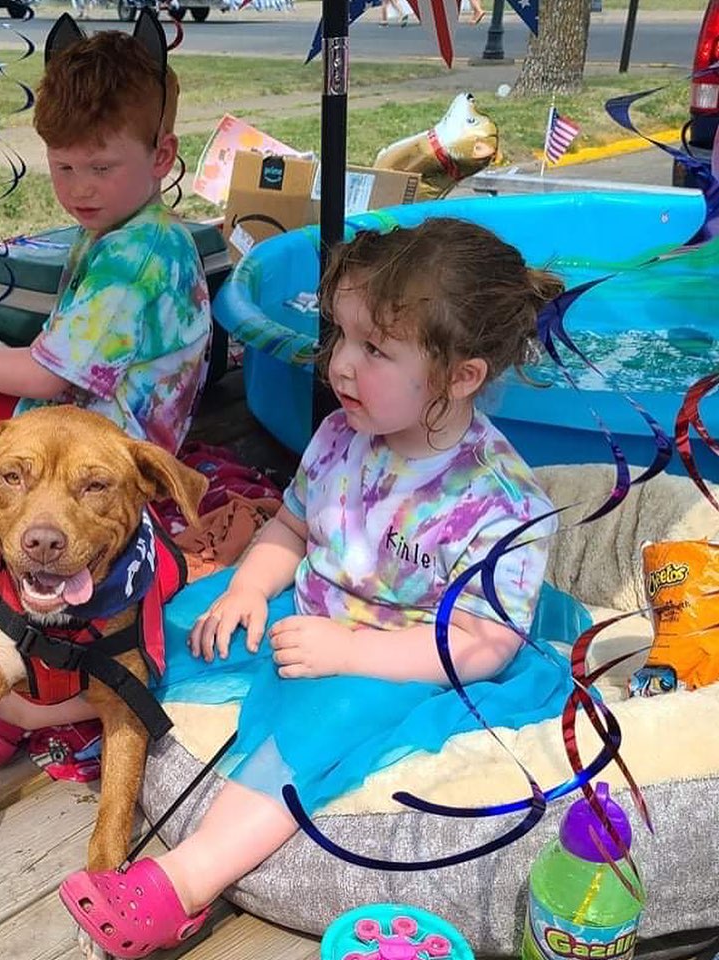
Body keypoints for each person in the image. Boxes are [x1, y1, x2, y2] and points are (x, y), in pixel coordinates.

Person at [57, 218, 576, 958]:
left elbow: (482, 644)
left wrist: (350, 653)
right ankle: (60, 705)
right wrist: (245, 589)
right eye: (340, 336)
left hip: (410, 662)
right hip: (309, 617)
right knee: (179, 621)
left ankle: (182, 884)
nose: (339, 364)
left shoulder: (504, 505)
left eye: (375, 350)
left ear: (462, 376)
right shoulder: (341, 435)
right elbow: (291, 530)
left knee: (322, 723)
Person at [0, 23, 212, 497]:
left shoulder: (132, 263)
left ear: (162, 155)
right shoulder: (144, 232)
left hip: (90, 461)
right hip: (112, 439)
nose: (80, 188)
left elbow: (44, 376)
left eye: (101, 168)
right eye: (64, 167)